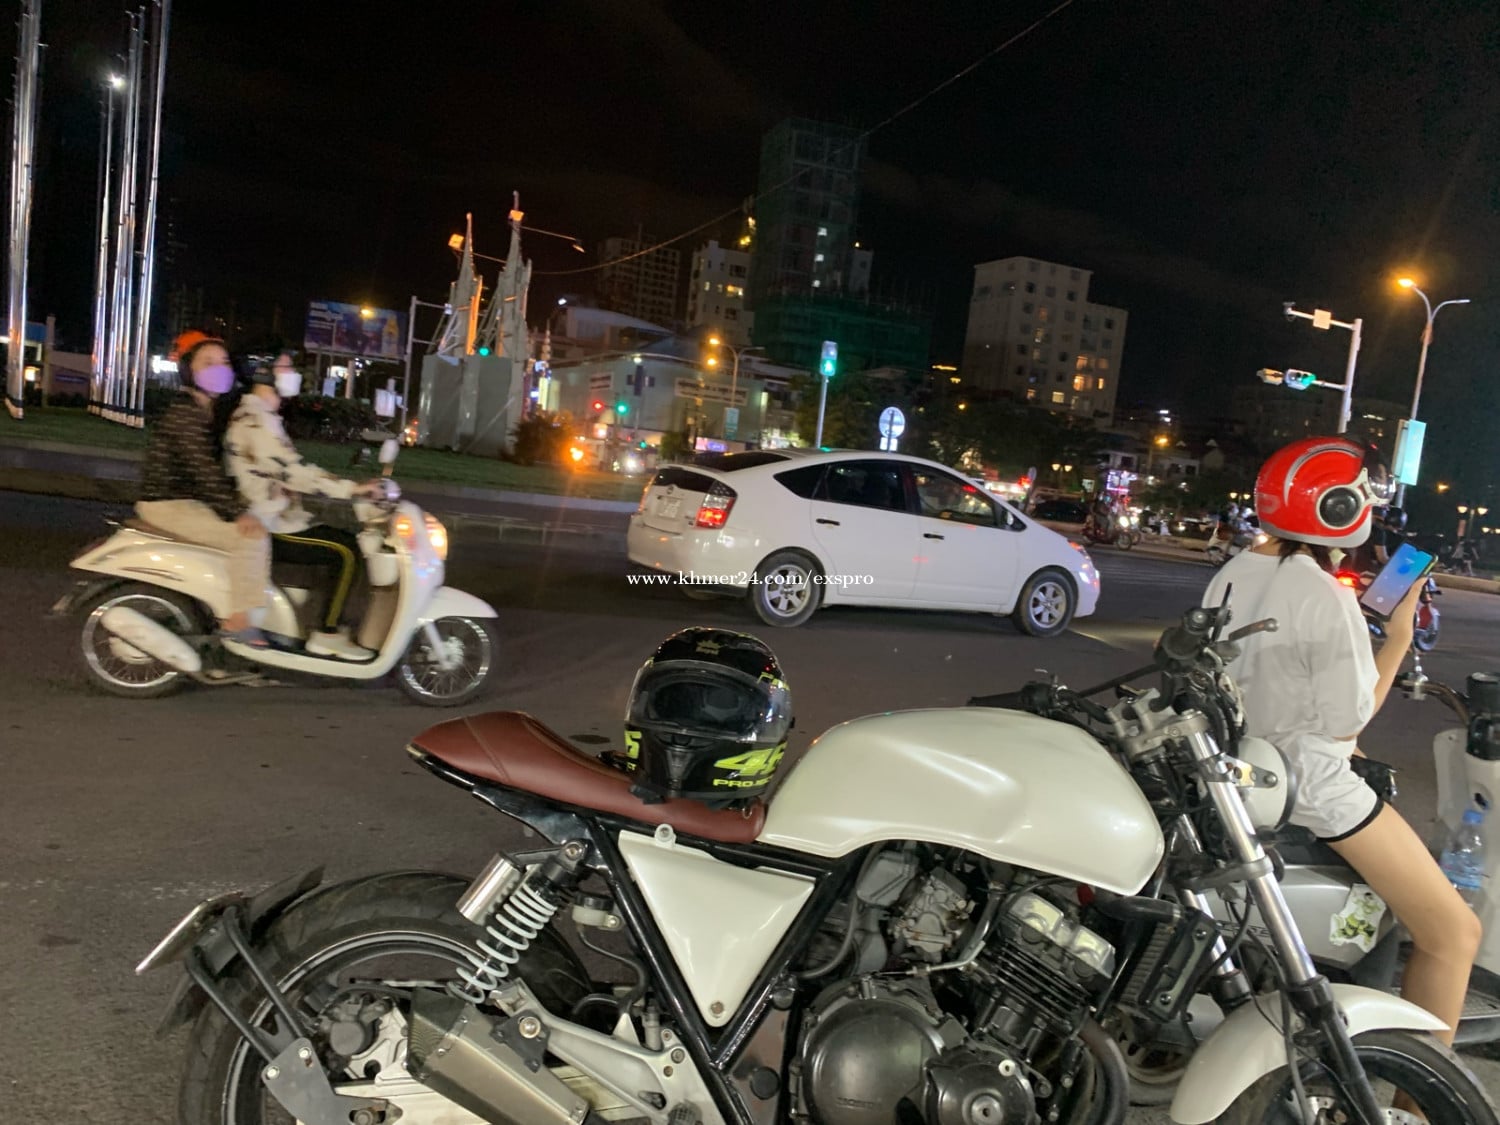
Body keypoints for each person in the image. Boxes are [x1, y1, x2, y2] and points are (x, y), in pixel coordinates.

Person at [1204, 436, 1480, 1046]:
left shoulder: (1233, 571)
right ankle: (1424, 1091)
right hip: (1311, 786)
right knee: (1454, 933)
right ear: (1335, 506)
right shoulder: (1325, 595)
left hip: (1245, 770)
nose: (1372, 509)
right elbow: (1348, 723)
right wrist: (1399, 637)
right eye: (1365, 496)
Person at [223, 353, 381, 661]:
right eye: (286, 367)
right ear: (264, 372)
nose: (293, 373)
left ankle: (316, 623)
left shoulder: (262, 416)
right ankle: (327, 634)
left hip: (277, 514)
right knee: (346, 550)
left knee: (339, 538)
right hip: (268, 520)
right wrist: (353, 488)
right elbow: (294, 472)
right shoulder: (254, 420)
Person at [137, 331, 272, 647]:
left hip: (184, 500)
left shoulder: (208, 410)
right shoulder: (185, 413)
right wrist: (237, 513)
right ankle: (239, 621)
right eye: (208, 362)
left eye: (223, 362)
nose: (219, 368)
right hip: (167, 504)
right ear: (189, 371)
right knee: (252, 537)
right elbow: (205, 472)